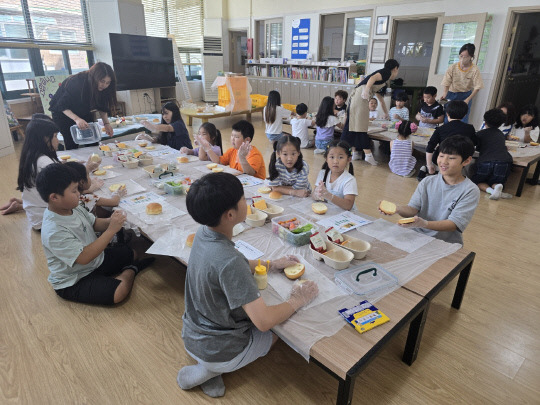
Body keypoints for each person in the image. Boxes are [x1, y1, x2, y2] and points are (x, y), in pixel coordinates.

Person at [178, 172, 318, 398]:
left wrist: (271, 264)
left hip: (192, 333)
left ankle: (211, 367)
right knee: (280, 332)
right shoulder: (229, 262)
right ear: (230, 214)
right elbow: (263, 322)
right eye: (243, 198)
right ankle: (212, 368)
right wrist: (298, 299)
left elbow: (232, 263)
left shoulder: (205, 232)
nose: (248, 201)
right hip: (219, 349)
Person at [36, 163, 154, 305]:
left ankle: (118, 271)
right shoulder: (54, 230)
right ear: (54, 197)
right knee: (119, 292)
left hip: (96, 260)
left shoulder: (73, 207)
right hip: (74, 279)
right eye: (74, 191)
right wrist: (111, 230)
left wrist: (112, 221)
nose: (79, 194)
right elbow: (84, 257)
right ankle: (131, 270)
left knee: (132, 253)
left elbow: (94, 223)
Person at [379, 135, 480, 245]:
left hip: (444, 243)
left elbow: (454, 224)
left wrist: (424, 224)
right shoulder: (427, 181)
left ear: (466, 161)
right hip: (416, 236)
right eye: (441, 156)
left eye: (451, 158)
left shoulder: (470, 190)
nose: (443, 162)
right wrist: (397, 209)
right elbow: (412, 209)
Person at [15, 117, 98, 230]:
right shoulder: (44, 162)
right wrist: (89, 180)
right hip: (45, 219)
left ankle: (18, 204)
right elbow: (67, 191)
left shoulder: (33, 156)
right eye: (55, 136)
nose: (57, 140)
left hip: (36, 214)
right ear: (45, 138)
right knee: (93, 201)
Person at [341, 59, 400, 165]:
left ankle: (354, 153)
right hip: (360, 95)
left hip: (360, 96)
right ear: (395, 68)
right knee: (360, 126)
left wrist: (386, 113)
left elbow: (381, 100)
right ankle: (367, 155)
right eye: (397, 70)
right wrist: (366, 90)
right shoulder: (386, 72)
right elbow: (372, 78)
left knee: (354, 125)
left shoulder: (384, 80)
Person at [49, 62, 117, 150]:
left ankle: (93, 160)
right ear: (94, 77)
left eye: (108, 83)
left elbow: (102, 105)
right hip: (63, 113)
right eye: (102, 81)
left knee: (92, 138)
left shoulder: (104, 88)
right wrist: (77, 119)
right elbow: (62, 105)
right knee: (71, 142)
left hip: (82, 110)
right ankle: (73, 162)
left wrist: (106, 124)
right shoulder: (76, 82)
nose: (104, 85)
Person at [419, 100, 477, 179]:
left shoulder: (441, 129)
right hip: (460, 159)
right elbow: (474, 143)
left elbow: (430, 146)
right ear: (465, 115)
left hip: (442, 158)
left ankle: (429, 169)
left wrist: (429, 165)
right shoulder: (470, 128)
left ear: (447, 114)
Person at [201, 120, 266, 179]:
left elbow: (250, 173)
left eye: (236, 137)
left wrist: (242, 157)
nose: (232, 139)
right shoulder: (232, 151)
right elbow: (218, 162)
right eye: (232, 135)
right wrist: (207, 148)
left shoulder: (254, 154)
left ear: (247, 140)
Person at [472, 109, 514, 200]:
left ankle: (491, 191)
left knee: (478, 181)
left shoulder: (480, 134)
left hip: (486, 161)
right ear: (501, 123)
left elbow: (477, 148)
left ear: (485, 121)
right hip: (504, 161)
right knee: (496, 180)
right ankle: (497, 187)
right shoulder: (501, 135)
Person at [440, 43, 484, 124]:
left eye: (465, 56)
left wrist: (467, 99)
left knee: (463, 119)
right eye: (461, 56)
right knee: (448, 116)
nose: (462, 58)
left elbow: (477, 87)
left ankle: (460, 136)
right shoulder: (453, 67)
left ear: (471, 57)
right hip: (451, 93)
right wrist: (445, 93)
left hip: (465, 95)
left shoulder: (475, 69)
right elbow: (447, 81)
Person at [313, 140, 358, 211]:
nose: (335, 161)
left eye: (340, 157)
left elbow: (348, 205)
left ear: (349, 159)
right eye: (332, 157)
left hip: (346, 215)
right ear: (326, 159)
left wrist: (328, 195)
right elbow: (314, 195)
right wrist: (317, 194)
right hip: (330, 212)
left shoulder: (349, 180)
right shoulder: (322, 174)